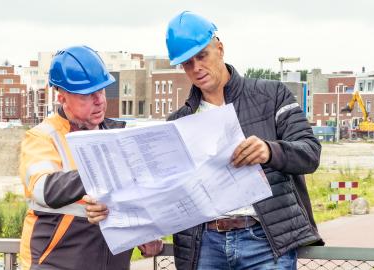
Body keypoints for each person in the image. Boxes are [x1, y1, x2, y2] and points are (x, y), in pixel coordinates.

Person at [87, 11, 323, 270]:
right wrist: (122, 215)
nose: (196, 68)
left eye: (202, 56)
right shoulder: (178, 122)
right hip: (204, 246)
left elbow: (310, 152)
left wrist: (269, 150)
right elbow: (159, 189)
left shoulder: (272, 94)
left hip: (264, 243)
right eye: (187, 63)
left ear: (219, 49)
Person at [19, 45, 161, 270]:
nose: (99, 101)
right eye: (87, 95)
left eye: (102, 91)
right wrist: (104, 170)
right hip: (54, 265)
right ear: (62, 97)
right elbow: (43, 189)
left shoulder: (118, 136)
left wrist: (145, 232)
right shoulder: (43, 137)